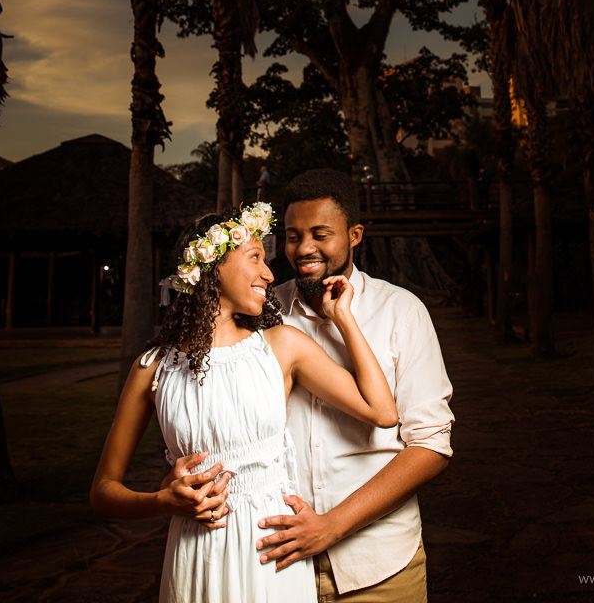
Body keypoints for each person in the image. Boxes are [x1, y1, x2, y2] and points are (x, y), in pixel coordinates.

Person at [90, 202, 398, 603]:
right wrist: (162, 501)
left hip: (271, 552)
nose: (269, 274)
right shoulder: (152, 368)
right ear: (212, 266)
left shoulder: (281, 346)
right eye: (255, 257)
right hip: (195, 554)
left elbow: (383, 412)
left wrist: (343, 318)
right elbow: (102, 491)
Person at [261, 168, 454, 601]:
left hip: (381, 563)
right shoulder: (261, 313)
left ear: (354, 234)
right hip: (275, 561)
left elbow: (430, 445)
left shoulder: (402, 311)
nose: (304, 248)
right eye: (293, 236)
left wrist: (331, 526)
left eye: (320, 234)